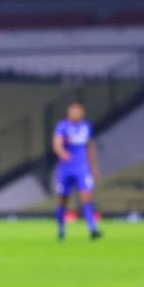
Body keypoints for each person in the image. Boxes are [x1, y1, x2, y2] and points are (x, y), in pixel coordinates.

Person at [53, 102, 102, 240]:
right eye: (72, 111)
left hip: (82, 168)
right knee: (63, 200)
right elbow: (57, 144)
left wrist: (93, 167)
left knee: (86, 198)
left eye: (77, 111)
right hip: (65, 168)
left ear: (82, 113)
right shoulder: (62, 126)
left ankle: (92, 230)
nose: (75, 113)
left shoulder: (87, 127)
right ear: (68, 113)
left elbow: (90, 147)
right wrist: (62, 152)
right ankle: (61, 230)